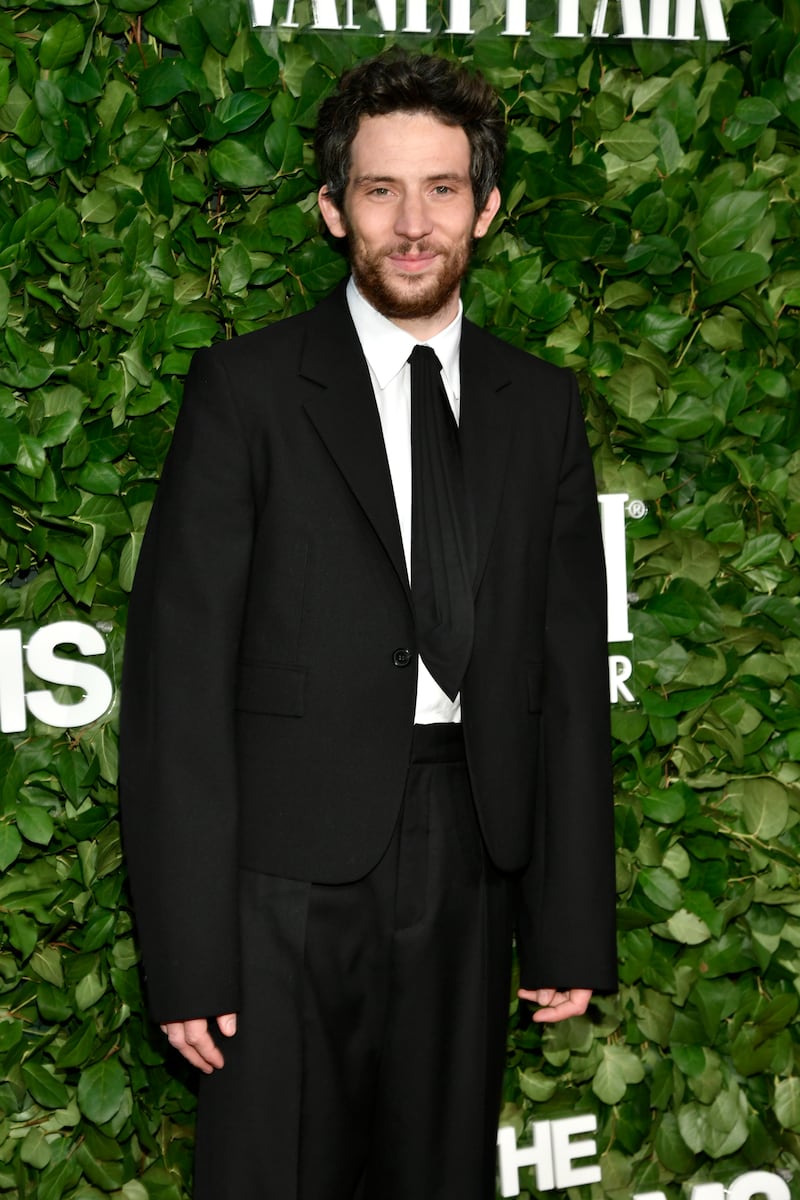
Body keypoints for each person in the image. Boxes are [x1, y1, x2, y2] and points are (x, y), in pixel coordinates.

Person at [120, 50, 616, 1200]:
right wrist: (189, 951)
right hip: (279, 877)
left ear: (484, 210)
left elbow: (563, 676)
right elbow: (177, 685)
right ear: (332, 208)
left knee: (438, 1175)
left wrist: (568, 924)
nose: (411, 222)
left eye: (441, 189)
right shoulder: (244, 391)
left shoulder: (535, 403)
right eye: (380, 189)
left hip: (470, 849)